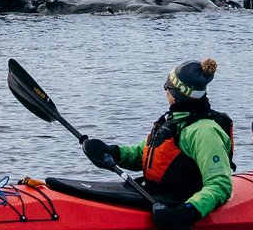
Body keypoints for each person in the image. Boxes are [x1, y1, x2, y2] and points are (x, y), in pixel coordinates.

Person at [82, 59, 233, 229]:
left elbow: (220, 184)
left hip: (180, 202)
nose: (165, 91)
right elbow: (146, 154)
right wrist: (113, 152)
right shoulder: (175, 121)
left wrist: (189, 211)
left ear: (174, 94)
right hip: (157, 195)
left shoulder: (204, 132)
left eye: (166, 87)